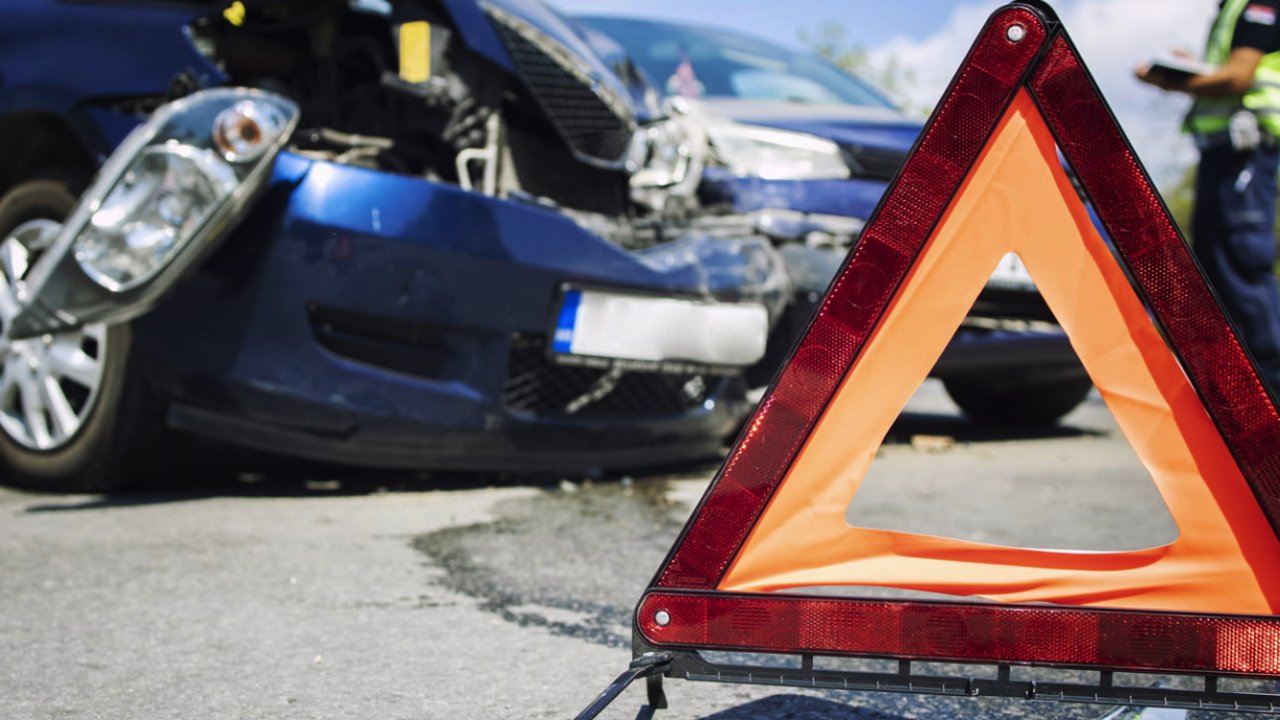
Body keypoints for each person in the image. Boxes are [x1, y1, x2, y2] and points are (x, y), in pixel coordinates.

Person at [1138, 0, 1280, 392]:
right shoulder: (1230, 10)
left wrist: (1173, 82)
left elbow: (1238, 77)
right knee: (1215, 269)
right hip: (1224, 155)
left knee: (1241, 267)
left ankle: (1272, 388)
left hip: (1244, 155)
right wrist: (1194, 69)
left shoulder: (1257, 5)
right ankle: (1238, 386)